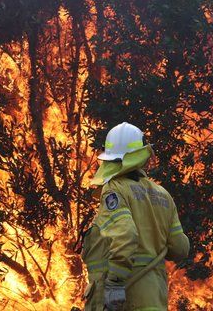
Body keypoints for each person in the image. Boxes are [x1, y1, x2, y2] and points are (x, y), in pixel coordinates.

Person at [81, 122, 190, 311]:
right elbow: (180, 249)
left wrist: (114, 283)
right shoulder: (163, 195)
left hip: (127, 301)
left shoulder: (115, 189)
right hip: (155, 300)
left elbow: (125, 236)